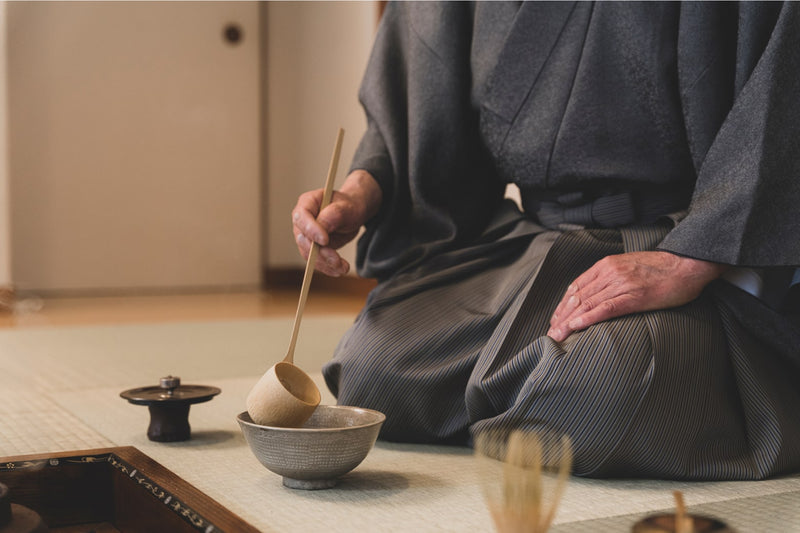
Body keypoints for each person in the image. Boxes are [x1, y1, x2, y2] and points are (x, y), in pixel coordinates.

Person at [292, 1, 800, 480]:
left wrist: (690, 259)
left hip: (684, 244)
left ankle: (526, 390)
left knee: (595, 389)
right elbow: (418, 84)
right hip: (532, 241)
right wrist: (363, 189)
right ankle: (518, 394)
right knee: (374, 369)